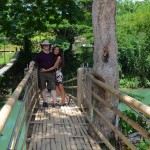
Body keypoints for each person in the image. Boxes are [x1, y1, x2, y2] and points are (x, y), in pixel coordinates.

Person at [29, 39, 57, 108]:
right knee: (43, 88)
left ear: (49, 46)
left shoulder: (52, 54)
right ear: (42, 46)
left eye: (47, 45)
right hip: (42, 73)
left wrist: (58, 70)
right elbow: (33, 61)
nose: (46, 46)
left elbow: (57, 62)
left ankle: (55, 102)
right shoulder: (39, 54)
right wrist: (30, 65)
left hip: (51, 73)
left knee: (53, 88)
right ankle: (45, 102)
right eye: (44, 45)